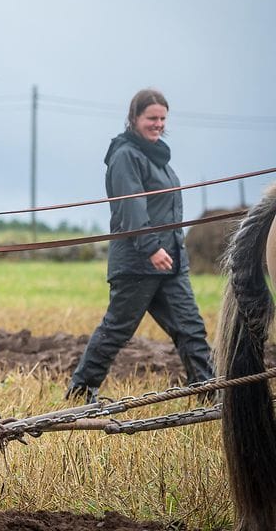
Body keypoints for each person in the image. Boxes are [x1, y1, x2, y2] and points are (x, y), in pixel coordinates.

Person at [66, 88, 214, 404]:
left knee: (191, 329)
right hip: (138, 262)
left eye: (162, 118)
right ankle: (80, 391)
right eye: (151, 118)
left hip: (171, 261)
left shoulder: (158, 157)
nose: (158, 124)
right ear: (134, 118)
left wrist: (171, 250)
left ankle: (206, 392)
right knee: (117, 330)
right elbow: (131, 207)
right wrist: (150, 247)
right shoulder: (124, 156)